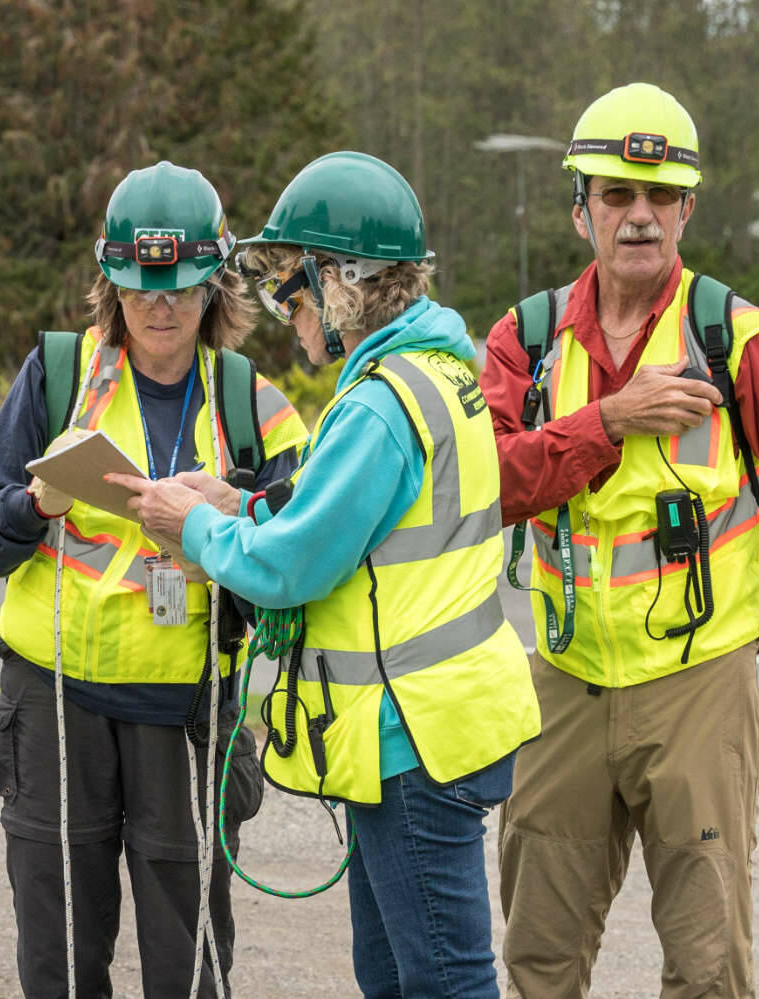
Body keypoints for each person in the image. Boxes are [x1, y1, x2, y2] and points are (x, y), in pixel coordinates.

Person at [116, 150, 541, 999]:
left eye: (294, 289)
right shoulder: (436, 374)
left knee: (444, 981)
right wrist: (236, 503)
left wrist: (189, 524)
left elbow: (293, 566)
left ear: (345, 282)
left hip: (412, 737)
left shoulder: (382, 402)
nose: (285, 311)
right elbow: (341, 520)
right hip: (433, 726)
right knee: (390, 975)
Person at [481, 82, 759, 998]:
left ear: (687, 208)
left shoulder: (741, 341)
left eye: (659, 197)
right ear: (579, 205)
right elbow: (489, 487)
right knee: (539, 960)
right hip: (565, 679)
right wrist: (607, 421)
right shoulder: (528, 339)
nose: (639, 216)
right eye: (616, 195)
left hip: (699, 688)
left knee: (708, 969)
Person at [0, 160, 306, 998]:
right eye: (141, 286)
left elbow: (302, 548)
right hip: (55, 706)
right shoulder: (57, 377)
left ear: (215, 284)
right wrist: (35, 502)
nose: (160, 305)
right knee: (61, 961)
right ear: (110, 281)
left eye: (181, 287)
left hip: (184, 713)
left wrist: (239, 509)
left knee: (188, 967)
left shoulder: (248, 401)